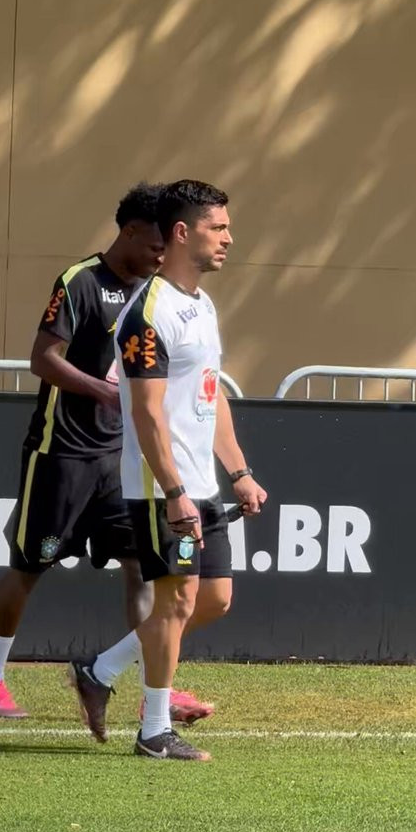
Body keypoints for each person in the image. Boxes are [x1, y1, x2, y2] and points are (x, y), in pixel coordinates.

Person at [0, 182, 213, 734]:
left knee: (143, 567)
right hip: (62, 453)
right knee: (30, 565)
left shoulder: (155, 294)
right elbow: (43, 359)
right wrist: (106, 392)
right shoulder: (81, 281)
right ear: (129, 232)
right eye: (155, 245)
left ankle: (155, 689)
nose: (161, 256)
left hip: (121, 460)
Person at [69, 179, 267, 760]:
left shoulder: (201, 304)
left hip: (202, 483)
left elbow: (211, 393)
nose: (229, 238)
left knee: (214, 600)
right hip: (162, 487)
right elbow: (147, 412)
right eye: (218, 228)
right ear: (183, 232)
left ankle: (100, 670)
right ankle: (154, 731)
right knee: (175, 604)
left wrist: (239, 472)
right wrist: (175, 490)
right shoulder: (148, 312)